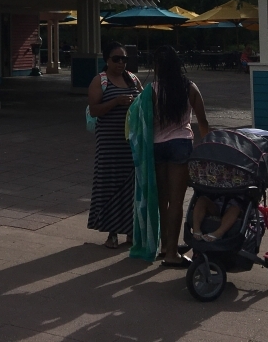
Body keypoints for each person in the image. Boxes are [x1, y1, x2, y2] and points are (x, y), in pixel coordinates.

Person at [152, 45, 210, 267]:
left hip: (157, 146)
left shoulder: (152, 90)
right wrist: (207, 147)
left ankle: (164, 245)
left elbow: (145, 121)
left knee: (162, 200)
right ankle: (172, 253)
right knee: (176, 201)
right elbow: (203, 121)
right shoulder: (190, 87)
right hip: (181, 145)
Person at [87, 41, 142, 249]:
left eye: (124, 59)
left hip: (131, 143)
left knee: (131, 187)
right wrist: (116, 102)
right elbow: (94, 110)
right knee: (109, 185)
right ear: (107, 60)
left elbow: (144, 101)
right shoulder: (100, 81)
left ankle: (130, 230)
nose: (121, 63)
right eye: (116, 59)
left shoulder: (133, 79)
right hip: (109, 144)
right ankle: (111, 233)